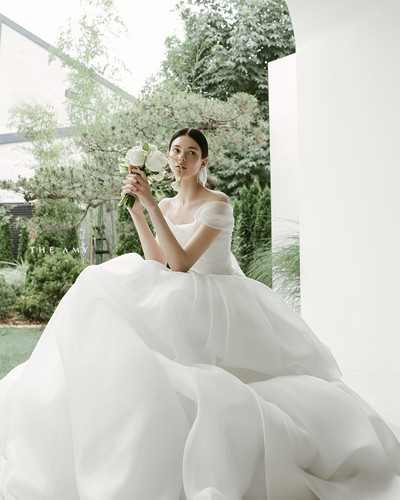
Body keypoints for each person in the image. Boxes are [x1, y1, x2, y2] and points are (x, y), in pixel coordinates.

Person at [0, 128, 399, 500]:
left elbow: (182, 264)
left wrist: (151, 204)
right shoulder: (166, 204)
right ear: (167, 157)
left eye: (191, 153)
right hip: (178, 291)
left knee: (176, 338)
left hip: (216, 299)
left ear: (203, 162)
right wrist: (138, 210)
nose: (182, 158)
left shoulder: (217, 204)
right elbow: (156, 260)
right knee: (98, 286)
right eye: (176, 151)